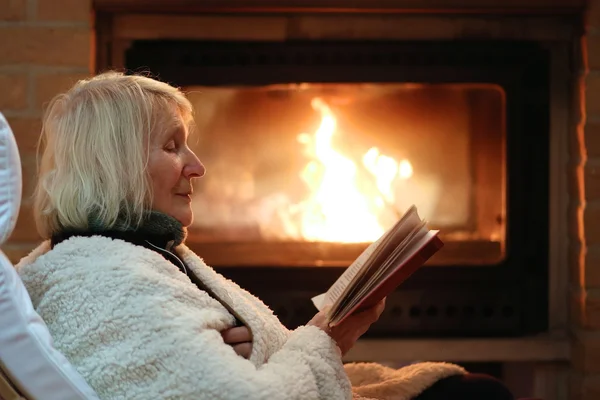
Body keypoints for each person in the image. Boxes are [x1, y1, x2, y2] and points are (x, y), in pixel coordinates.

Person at [16, 72, 514, 400]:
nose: (197, 166)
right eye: (173, 147)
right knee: (479, 395)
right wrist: (326, 337)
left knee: (471, 390)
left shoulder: (123, 255)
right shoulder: (110, 283)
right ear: (115, 166)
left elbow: (191, 367)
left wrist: (246, 349)